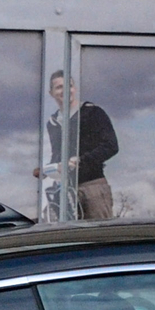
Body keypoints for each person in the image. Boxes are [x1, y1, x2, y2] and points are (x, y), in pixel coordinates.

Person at [39, 70, 120, 221]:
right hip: (65, 192)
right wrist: (46, 169)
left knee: (99, 237)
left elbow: (111, 146)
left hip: (93, 187)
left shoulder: (92, 112)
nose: (65, 91)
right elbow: (57, 153)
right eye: (59, 87)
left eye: (68, 86)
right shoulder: (52, 122)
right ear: (51, 93)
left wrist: (80, 161)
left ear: (74, 88)